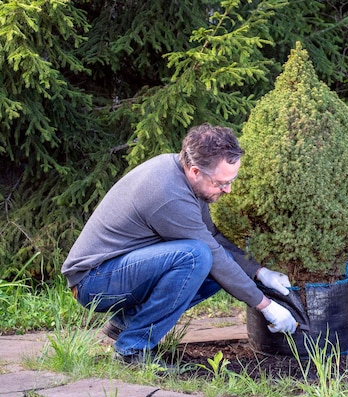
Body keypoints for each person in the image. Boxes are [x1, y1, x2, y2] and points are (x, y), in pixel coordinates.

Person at [62, 124, 297, 369]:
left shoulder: (183, 176)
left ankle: (128, 322)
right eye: (221, 183)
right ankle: (132, 350)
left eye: (232, 180)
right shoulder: (168, 194)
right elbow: (211, 254)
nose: (228, 189)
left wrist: (259, 272)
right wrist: (266, 306)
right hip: (93, 281)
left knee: (215, 264)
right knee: (197, 257)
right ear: (196, 171)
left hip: (121, 269)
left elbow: (213, 237)